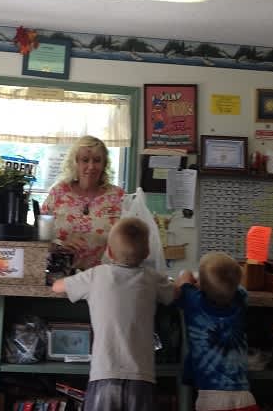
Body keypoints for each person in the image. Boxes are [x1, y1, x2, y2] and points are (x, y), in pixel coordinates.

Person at [52, 217, 175, 411]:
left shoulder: (96, 275)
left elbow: (57, 287)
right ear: (147, 253)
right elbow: (173, 294)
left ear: (109, 252)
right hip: (141, 378)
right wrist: (185, 280)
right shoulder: (152, 278)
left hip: (104, 375)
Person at [175, 253, 258, 411]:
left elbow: (183, 279)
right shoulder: (240, 299)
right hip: (245, 397)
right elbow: (236, 287)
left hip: (211, 399)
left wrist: (192, 276)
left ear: (201, 286)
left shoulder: (194, 302)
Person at [42, 135, 125, 269]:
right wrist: (59, 244)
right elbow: (40, 236)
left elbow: (130, 240)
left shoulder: (118, 196)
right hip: (62, 273)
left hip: (104, 276)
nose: (91, 166)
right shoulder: (59, 192)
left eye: (97, 160)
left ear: (104, 164)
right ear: (75, 163)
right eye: (85, 160)